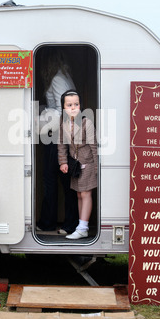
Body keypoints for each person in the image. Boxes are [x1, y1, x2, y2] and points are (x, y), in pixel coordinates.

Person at [37, 50, 79, 234]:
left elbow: (64, 109)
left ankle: (50, 222)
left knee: (51, 179)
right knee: (64, 180)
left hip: (57, 135)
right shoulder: (65, 76)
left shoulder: (57, 79)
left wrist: (42, 118)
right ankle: (69, 222)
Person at [58, 90, 97, 239]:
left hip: (87, 162)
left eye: (76, 104)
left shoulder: (87, 122)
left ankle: (83, 227)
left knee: (86, 193)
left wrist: (95, 167)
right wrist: (63, 162)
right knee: (79, 194)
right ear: (63, 107)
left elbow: (94, 145)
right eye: (69, 105)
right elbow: (61, 144)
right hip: (75, 166)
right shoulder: (64, 123)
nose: (73, 107)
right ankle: (82, 227)